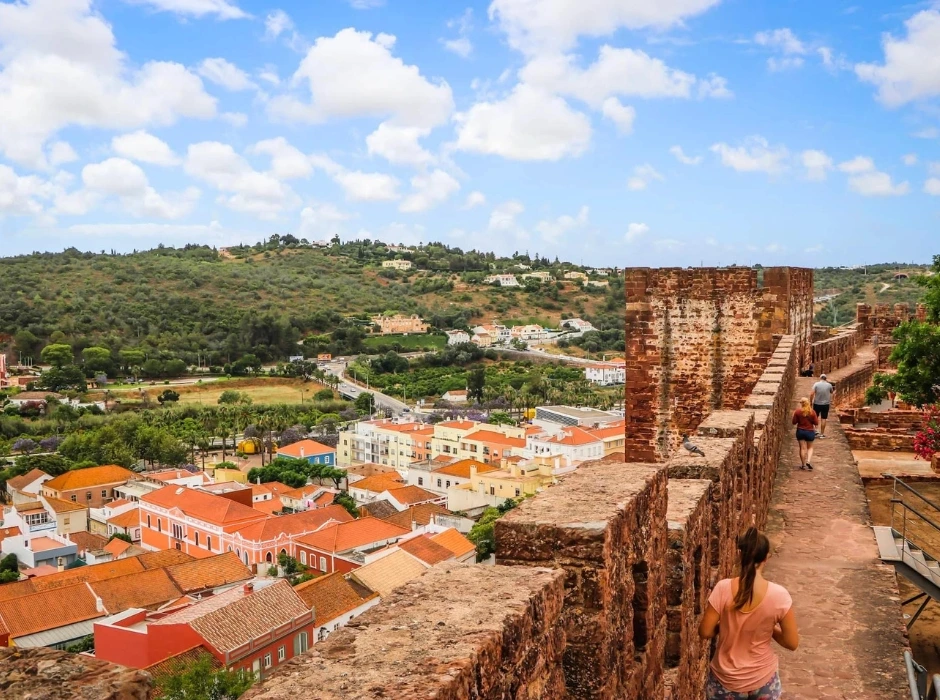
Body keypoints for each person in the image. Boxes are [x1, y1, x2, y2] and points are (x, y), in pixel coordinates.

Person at [699, 528, 799, 700]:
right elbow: (792, 643)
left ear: (739, 553)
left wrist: (725, 625)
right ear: (766, 557)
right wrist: (769, 628)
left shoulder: (723, 588)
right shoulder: (779, 595)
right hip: (763, 679)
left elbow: (705, 631)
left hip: (725, 680)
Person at [792, 398, 818, 470]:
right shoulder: (812, 412)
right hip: (809, 431)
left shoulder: (797, 412)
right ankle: (808, 461)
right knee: (810, 448)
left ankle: (803, 464)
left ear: (801, 404)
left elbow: (794, 422)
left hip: (800, 431)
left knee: (802, 448)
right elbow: (816, 423)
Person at [811, 374, 835, 438]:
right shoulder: (829, 385)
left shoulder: (816, 384)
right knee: (824, 418)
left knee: (815, 417)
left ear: (820, 378)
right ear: (825, 379)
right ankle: (822, 434)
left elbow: (812, 393)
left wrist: (811, 401)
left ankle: (816, 430)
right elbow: (832, 393)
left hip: (817, 403)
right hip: (825, 404)